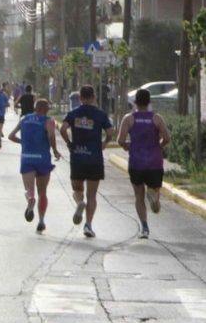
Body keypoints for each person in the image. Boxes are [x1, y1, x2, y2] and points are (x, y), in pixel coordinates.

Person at [60, 85, 114, 238]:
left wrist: (69, 144)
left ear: (81, 98)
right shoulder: (100, 114)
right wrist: (104, 143)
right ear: (94, 97)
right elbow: (110, 132)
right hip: (94, 158)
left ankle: (79, 203)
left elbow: (63, 129)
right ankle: (88, 225)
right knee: (92, 195)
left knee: (77, 190)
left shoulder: (73, 113)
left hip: (77, 156)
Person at [117, 88, 171, 239]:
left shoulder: (129, 118)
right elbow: (167, 138)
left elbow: (120, 140)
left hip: (136, 162)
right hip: (154, 162)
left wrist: (128, 146)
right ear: (149, 102)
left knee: (138, 196)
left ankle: (144, 227)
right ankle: (154, 196)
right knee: (154, 188)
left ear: (135, 102)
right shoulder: (157, 118)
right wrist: (159, 145)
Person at [9, 99, 62, 233]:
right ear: (47, 109)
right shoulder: (48, 120)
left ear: (34, 108)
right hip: (43, 159)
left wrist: (23, 142)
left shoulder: (24, 119)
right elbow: (51, 135)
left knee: (29, 190)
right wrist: (54, 150)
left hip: (27, 158)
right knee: (43, 192)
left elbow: (11, 136)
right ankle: (41, 221)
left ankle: (30, 200)